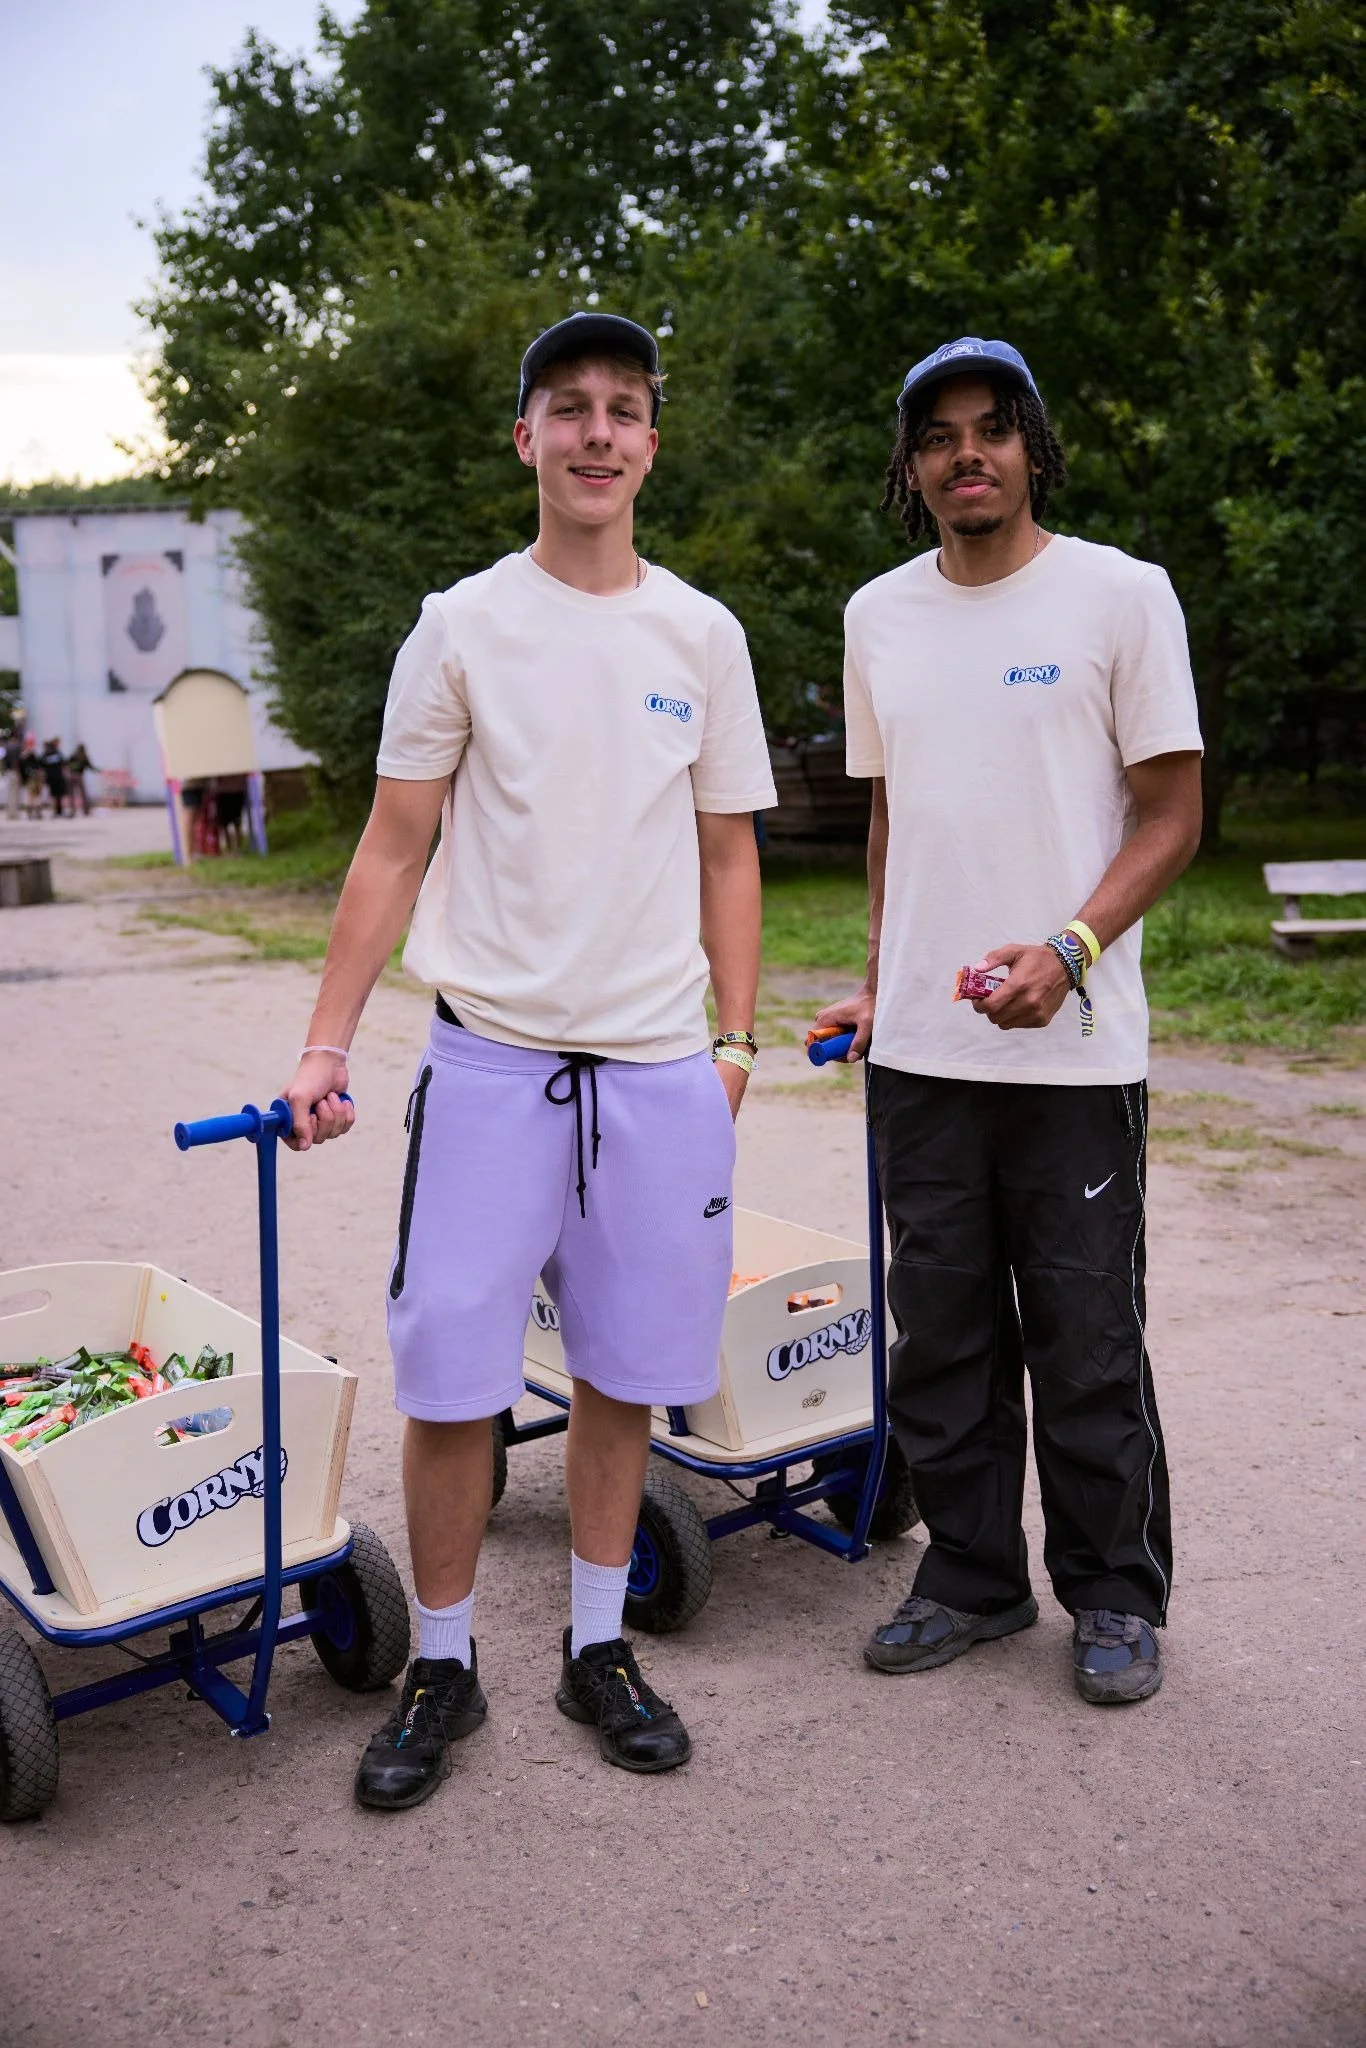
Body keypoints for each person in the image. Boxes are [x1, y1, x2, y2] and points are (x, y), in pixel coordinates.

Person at [280, 312, 775, 1808]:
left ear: (651, 442)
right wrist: (323, 1039)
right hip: (493, 1069)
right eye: (569, 408)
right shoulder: (462, 624)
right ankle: (442, 1664)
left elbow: (729, 854)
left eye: (625, 409)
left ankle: (597, 1645)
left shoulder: (701, 635)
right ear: (527, 439)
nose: (598, 433)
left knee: (624, 1377)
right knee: (451, 1380)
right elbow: (392, 841)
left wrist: (734, 1043)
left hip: (654, 1075)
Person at [816, 336, 1203, 1706]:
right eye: (937, 436)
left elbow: (1172, 814)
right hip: (923, 1048)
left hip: (1073, 1043)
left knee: (1084, 1329)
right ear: (909, 468)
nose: (964, 453)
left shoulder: (1117, 596)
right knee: (941, 1328)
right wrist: (881, 973)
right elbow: (890, 814)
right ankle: (970, 1578)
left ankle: (1110, 1595)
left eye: (990, 429)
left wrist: (1069, 944)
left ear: (1032, 446)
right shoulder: (877, 615)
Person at [65, 742, 96, 817]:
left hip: (71, 776)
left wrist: (69, 770)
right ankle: (86, 811)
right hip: (79, 776)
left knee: (71, 794)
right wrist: (98, 770)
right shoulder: (84, 757)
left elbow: (66, 764)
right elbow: (90, 766)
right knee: (83, 794)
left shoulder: (73, 755)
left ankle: (72, 811)